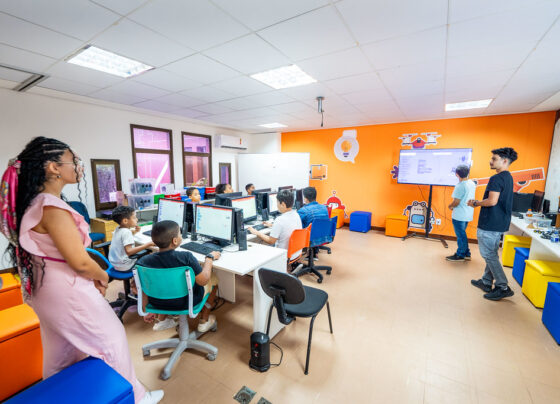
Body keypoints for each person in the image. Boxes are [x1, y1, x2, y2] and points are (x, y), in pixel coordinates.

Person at [0, 137, 163, 403]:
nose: (80, 166)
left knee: (61, 351)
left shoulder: (34, 203)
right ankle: (135, 397)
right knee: (111, 339)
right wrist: (103, 276)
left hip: (44, 288)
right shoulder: (51, 207)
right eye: (74, 160)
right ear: (54, 167)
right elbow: (80, 262)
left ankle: (57, 396)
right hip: (65, 290)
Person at [138, 220, 220, 332]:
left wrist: (147, 309)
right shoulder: (186, 257)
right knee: (213, 278)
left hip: (157, 303)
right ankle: (204, 321)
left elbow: (142, 288)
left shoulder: (143, 262)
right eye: (180, 234)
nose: (181, 236)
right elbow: (203, 281)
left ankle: (163, 319)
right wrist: (209, 258)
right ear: (175, 240)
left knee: (165, 282)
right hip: (185, 302)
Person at [468, 147, 517, 301]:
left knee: (489, 256)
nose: (491, 161)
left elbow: (491, 201)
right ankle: (486, 282)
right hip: (499, 223)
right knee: (492, 254)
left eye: (494, 159)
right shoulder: (508, 177)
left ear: (505, 161)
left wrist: (476, 203)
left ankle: (503, 287)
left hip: (490, 223)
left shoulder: (496, 179)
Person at [248, 190, 303, 261]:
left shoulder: (280, 220)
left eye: (277, 202)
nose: (277, 205)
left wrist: (257, 233)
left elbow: (271, 241)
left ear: (283, 204)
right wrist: (272, 225)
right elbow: (286, 226)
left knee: (257, 249)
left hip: (283, 255)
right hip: (296, 252)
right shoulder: (296, 214)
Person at [108, 206, 154, 272]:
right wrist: (147, 244)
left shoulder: (118, 228)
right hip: (126, 266)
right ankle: (139, 277)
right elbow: (129, 252)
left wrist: (135, 231)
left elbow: (123, 237)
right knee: (149, 257)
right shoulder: (127, 232)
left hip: (115, 264)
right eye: (134, 217)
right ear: (125, 221)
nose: (137, 219)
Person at [446, 165, 476, 262]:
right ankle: (467, 253)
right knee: (462, 234)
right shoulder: (471, 183)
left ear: (457, 174)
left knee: (461, 236)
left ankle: (460, 255)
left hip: (459, 215)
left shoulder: (460, 186)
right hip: (468, 213)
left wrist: (450, 206)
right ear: (468, 173)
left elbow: (456, 202)